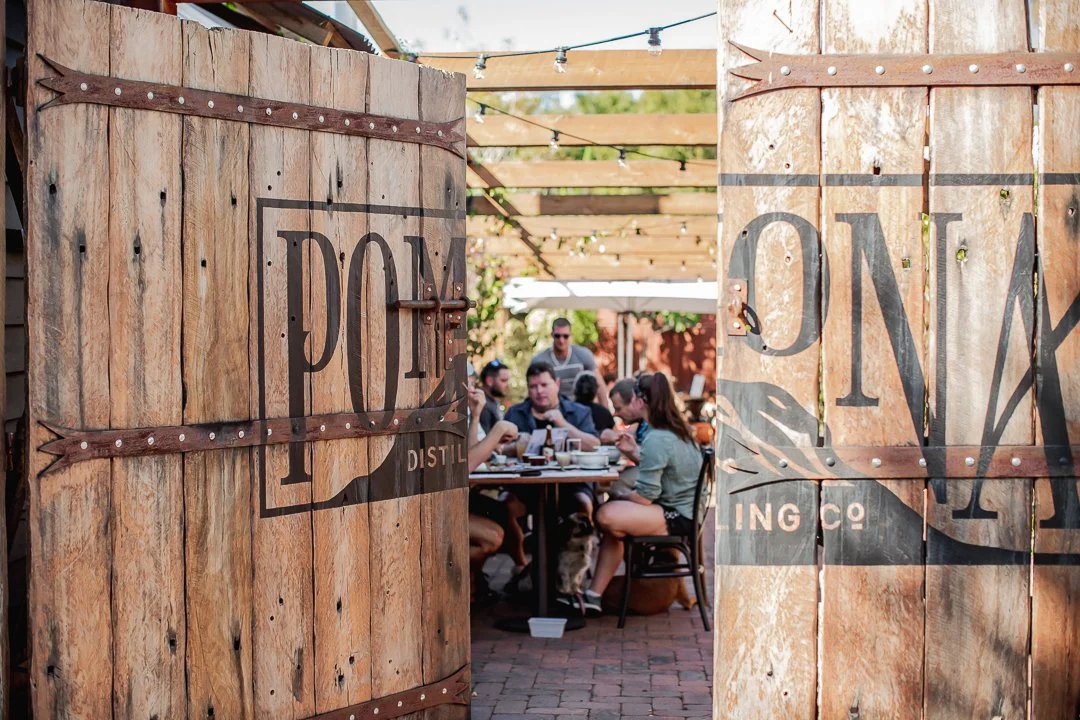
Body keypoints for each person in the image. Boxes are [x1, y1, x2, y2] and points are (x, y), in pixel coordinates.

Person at [582, 372, 703, 613]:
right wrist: (632, 452)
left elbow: (644, 497)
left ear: (640, 402)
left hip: (678, 515)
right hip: (681, 508)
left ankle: (596, 594)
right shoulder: (673, 430)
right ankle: (593, 596)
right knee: (614, 526)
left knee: (606, 515)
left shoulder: (657, 437)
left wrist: (621, 498)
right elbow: (663, 469)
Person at [465, 385, 520, 605]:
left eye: (472, 383)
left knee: (503, 513)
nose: (470, 389)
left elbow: (471, 457)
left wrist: (475, 415)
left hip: (462, 497)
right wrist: (498, 430)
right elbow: (469, 464)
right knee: (493, 536)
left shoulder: (464, 411)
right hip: (433, 504)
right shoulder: (440, 411)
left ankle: (474, 584)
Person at [531, 317, 609, 406]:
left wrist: (605, 413)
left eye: (565, 336)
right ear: (552, 335)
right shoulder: (540, 360)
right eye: (557, 336)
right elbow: (533, 389)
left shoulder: (583, 355)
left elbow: (599, 385)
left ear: (570, 335)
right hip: (553, 408)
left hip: (581, 408)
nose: (561, 340)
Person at [600, 375, 653, 462]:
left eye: (618, 408)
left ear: (634, 402)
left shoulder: (656, 424)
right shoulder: (642, 424)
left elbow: (653, 462)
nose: (615, 414)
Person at [477, 359, 510, 434]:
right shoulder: (482, 404)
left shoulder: (493, 400)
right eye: (503, 380)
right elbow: (484, 441)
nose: (507, 385)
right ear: (489, 381)